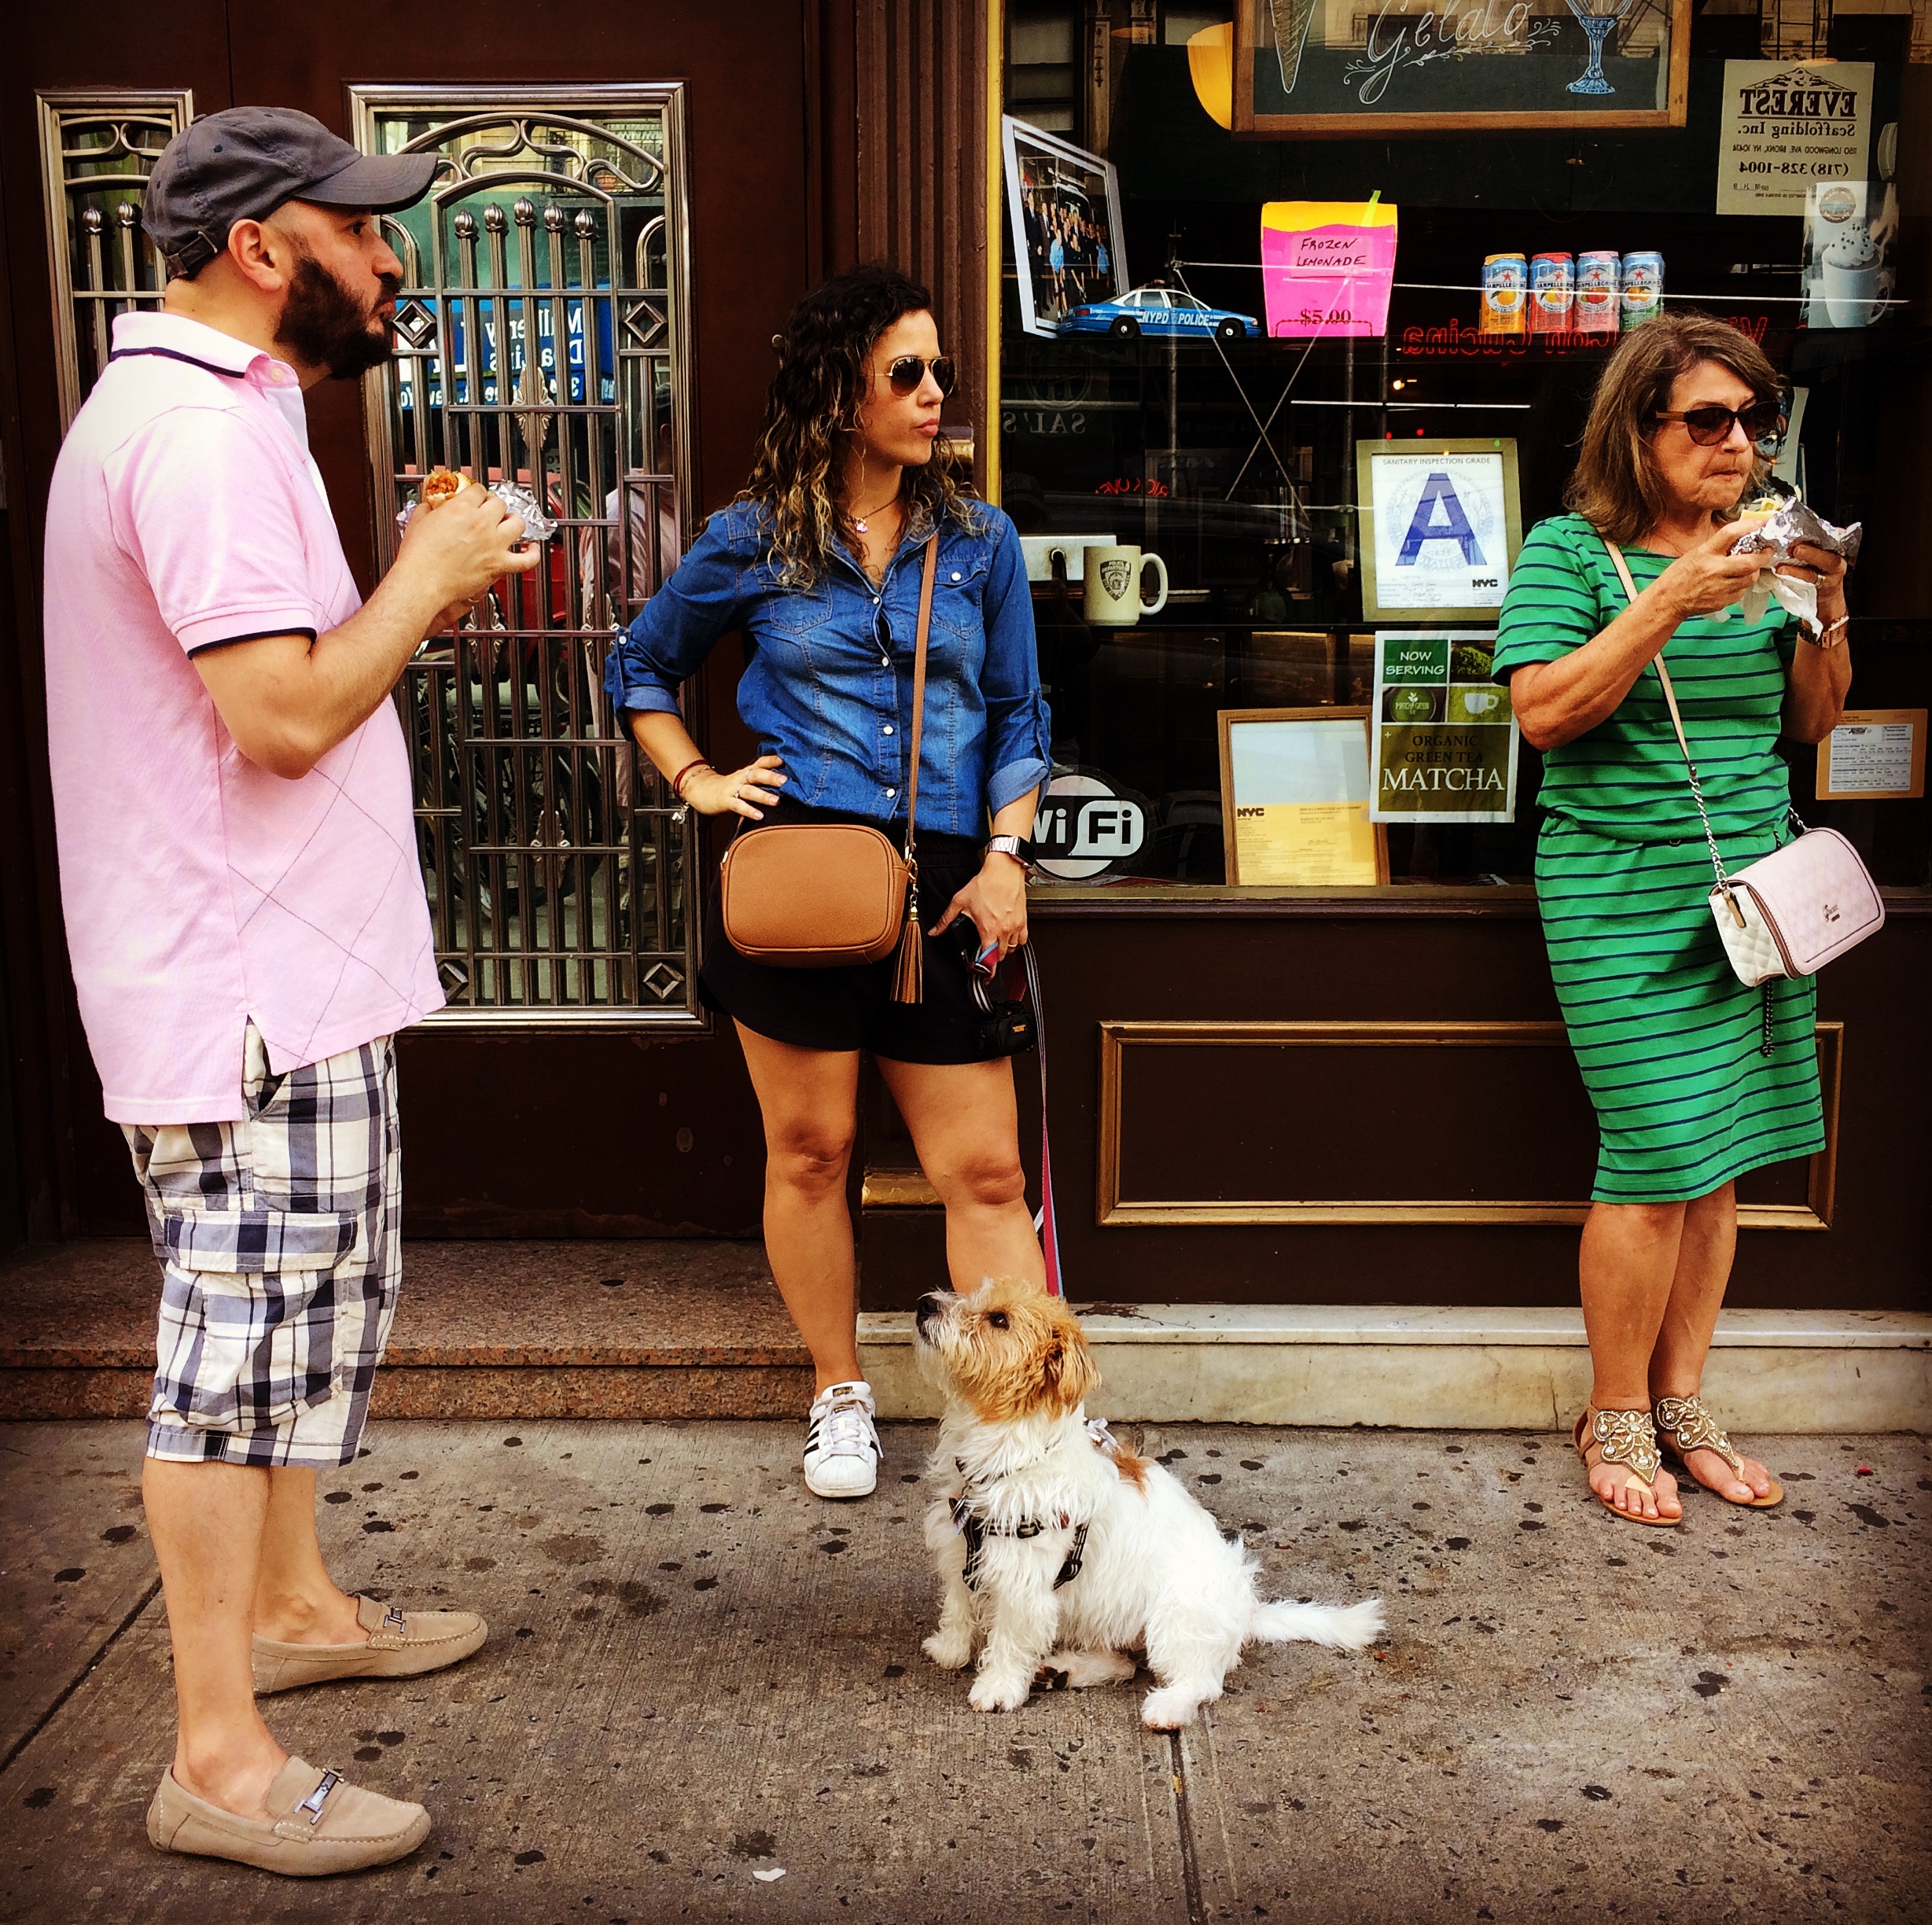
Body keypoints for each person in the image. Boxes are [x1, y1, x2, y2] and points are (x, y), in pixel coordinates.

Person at [40, 108, 537, 1874]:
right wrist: (434, 572)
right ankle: (215, 1760)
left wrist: (410, 576)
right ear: (265, 247)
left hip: (287, 978)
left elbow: (285, 682)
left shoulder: (234, 415)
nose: (392, 257)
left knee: (305, 1329)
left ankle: (299, 1607)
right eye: (365, 227)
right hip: (237, 993)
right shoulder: (192, 434)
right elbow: (281, 717)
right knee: (231, 1364)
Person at [605, 264, 1051, 1500]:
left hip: (954, 880)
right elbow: (639, 667)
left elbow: (1020, 709)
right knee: (811, 1150)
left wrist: (1009, 856)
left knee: (987, 1173)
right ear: (837, 391)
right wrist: (698, 778)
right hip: (801, 872)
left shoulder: (978, 542)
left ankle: (1017, 1424)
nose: (932, 393)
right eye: (903, 372)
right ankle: (834, 1390)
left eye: (938, 371)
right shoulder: (751, 540)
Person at [1493, 313, 1851, 1527]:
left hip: (1752, 892)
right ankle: (1617, 1412)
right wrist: (1668, 601)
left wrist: (1826, 605)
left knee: (1717, 1166)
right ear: (1636, 432)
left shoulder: (1767, 547)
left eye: (1754, 420)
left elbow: (1809, 726)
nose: (1739, 443)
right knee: (1650, 1161)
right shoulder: (1571, 555)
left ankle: (1685, 1401)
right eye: (1707, 420)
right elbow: (1542, 717)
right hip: (1620, 887)